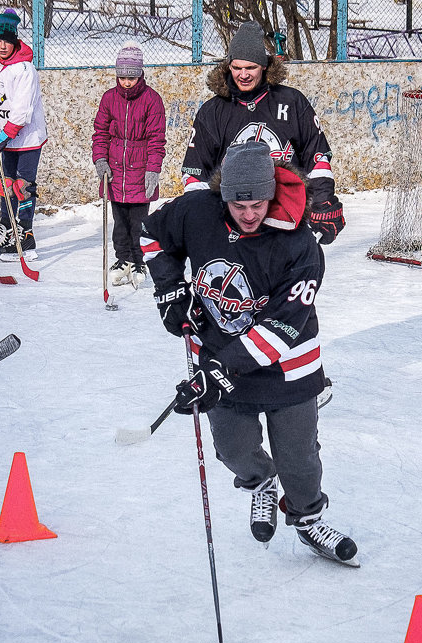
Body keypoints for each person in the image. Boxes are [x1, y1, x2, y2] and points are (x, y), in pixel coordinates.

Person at [144, 141, 358, 567]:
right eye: (238, 205)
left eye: (257, 204)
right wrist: (170, 292)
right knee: (233, 448)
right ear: (223, 194)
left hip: (289, 366)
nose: (248, 214)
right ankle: (261, 482)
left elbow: (281, 328)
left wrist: (219, 372)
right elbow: (151, 235)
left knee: (298, 460)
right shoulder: (197, 212)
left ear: (271, 194)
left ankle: (308, 518)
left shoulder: (300, 244)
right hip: (221, 354)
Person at [181, 21, 345, 246]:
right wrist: (198, 216)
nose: (243, 75)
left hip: (287, 216)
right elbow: (195, 172)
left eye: (251, 68)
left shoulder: (292, 102)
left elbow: (316, 157)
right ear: (228, 66)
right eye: (237, 68)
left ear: (265, 66)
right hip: (235, 222)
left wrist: (323, 202)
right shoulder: (213, 111)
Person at [0, 8, 48, 261]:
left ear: (15, 41)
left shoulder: (25, 70)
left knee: (22, 186)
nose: (2, 46)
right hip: (5, 138)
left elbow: (22, 113)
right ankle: (6, 230)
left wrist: (2, 138)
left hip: (27, 138)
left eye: (7, 41)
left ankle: (25, 236)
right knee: (6, 184)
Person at [91, 41, 166, 290]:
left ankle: (138, 261)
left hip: (140, 172)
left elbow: (157, 139)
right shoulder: (109, 98)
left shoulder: (152, 100)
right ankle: (122, 259)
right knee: (119, 223)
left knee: (138, 223)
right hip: (115, 172)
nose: (126, 82)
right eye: (122, 77)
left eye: (131, 77)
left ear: (140, 74)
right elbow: (100, 133)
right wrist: (100, 160)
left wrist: (153, 169)